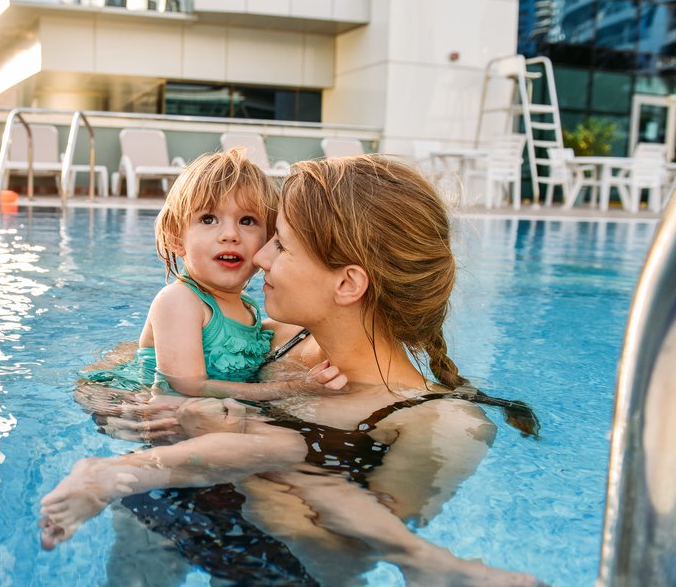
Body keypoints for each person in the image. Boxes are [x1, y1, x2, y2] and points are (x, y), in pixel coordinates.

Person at [40, 155, 544, 586]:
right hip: (162, 510)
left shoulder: (441, 425)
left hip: (270, 567)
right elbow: (119, 368)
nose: (257, 257)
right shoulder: (277, 340)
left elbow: (348, 558)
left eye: (279, 242)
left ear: (347, 283)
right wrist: (127, 413)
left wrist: (251, 455)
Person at [81, 147, 345, 406]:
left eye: (247, 221)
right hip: (134, 404)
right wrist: (293, 388)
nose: (230, 234)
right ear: (176, 238)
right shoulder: (179, 300)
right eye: (208, 219)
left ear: (267, 240)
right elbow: (187, 385)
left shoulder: (247, 306)